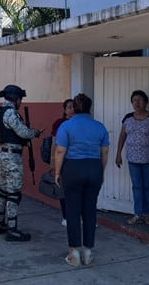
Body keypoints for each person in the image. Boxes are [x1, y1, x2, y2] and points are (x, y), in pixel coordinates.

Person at [54, 93, 109, 267]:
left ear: (74, 108)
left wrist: (57, 172)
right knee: (90, 210)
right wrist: (101, 170)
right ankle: (88, 250)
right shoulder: (100, 126)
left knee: (72, 210)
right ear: (89, 107)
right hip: (94, 168)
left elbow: (60, 151)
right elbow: (105, 152)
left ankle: (74, 252)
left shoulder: (66, 126)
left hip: (73, 169)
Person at [0, 84, 42, 242]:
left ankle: (0, 223)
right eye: (20, 98)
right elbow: (23, 132)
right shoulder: (11, 113)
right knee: (13, 194)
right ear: (15, 98)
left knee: (3, 191)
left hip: (3, 154)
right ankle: (12, 229)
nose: (21, 101)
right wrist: (34, 132)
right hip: (12, 157)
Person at [115, 89, 149, 226]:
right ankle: (138, 213)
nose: (137, 103)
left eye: (140, 100)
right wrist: (118, 154)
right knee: (136, 186)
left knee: (147, 186)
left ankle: (147, 214)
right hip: (133, 159)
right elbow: (122, 137)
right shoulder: (128, 119)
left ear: (146, 102)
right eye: (134, 100)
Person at [51, 98, 74, 226]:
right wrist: (53, 164)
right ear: (65, 110)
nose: (72, 109)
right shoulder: (59, 123)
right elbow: (54, 145)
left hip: (76, 161)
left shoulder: (79, 123)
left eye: (74, 107)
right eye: (69, 107)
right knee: (63, 190)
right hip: (63, 161)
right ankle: (66, 216)